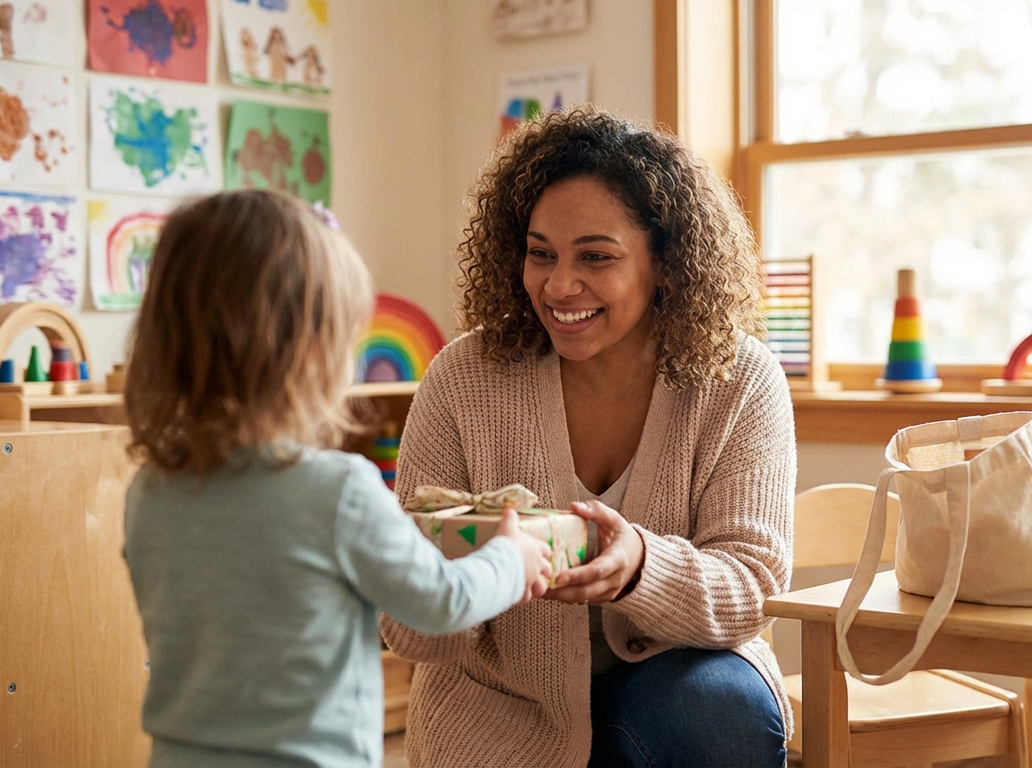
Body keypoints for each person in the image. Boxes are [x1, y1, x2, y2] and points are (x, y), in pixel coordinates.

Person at [381, 108, 796, 767]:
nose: (559, 285)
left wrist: (638, 565)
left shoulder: (740, 378)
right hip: (502, 704)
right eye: (540, 254)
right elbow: (409, 631)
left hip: (678, 681)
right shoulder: (463, 377)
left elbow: (751, 589)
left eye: (595, 257)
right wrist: (474, 566)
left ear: (666, 262)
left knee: (716, 712)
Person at [121, 189, 553, 768]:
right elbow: (444, 602)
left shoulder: (150, 489)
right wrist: (512, 556)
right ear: (308, 354)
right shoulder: (337, 491)